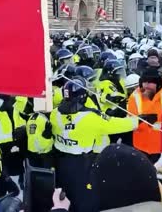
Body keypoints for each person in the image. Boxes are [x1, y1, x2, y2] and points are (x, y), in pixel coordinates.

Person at [50, 79, 138, 212]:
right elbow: (116, 125)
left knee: (66, 194)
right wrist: (138, 121)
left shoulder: (54, 114)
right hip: (81, 164)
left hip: (60, 162)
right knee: (84, 197)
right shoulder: (90, 118)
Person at [127, 69, 162, 164]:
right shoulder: (134, 97)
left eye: (150, 82)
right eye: (144, 82)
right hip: (141, 147)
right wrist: (142, 119)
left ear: (158, 83)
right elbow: (129, 121)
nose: (147, 85)